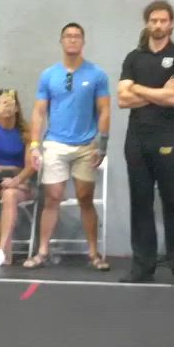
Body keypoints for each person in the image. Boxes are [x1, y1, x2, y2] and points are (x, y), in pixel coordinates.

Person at [24, 24, 111, 270]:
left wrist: (101, 145)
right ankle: (42, 251)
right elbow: (39, 112)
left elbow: (104, 110)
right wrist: (34, 145)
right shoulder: (49, 75)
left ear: (83, 41)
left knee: (85, 198)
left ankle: (94, 253)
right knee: (52, 197)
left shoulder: (97, 74)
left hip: (86, 146)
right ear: (61, 41)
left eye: (77, 37)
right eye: (68, 36)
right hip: (55, 143)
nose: (72, 40)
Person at [119, 0, 174, 284]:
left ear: (171, 23)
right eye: (153, 20)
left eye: (163, 21)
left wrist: (137, 88)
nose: (158, 25)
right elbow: (123, 99)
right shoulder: (133, 58)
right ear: (147, 23)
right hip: (137, 139)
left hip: (168, 138)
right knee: (140, 202)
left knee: (173, 200)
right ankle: (142, 266)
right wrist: (156, 92)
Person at [0, 88, 35, 269]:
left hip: (19, 181)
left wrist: (17, 181)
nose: (7, 107)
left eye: (11, 103)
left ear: (17, 108)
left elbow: (31, 166)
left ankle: (1, 250)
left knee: (9, 195)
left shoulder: (25, 132)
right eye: (3, 103)